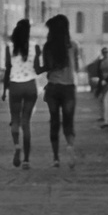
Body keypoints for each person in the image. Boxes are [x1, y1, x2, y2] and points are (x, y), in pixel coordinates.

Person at [38, 15, 81, 168]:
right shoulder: (73, 45)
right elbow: (77, 67)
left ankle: (56, 158)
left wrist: (37, 62)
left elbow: (45, 68)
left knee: (54, 121)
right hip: (68, 88)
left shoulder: (48, 46)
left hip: (53, 88)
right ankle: (70, 145)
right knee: (69, 121)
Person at [1, 18, 39, 169]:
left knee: (15, 120)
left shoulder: (9, 47)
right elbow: (37, 67)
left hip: (15, 86)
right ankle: (27, 160)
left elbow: (7, 70)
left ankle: (17, 146)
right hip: (30, 85)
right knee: (26, 123)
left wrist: (4, 90)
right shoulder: (35, 46)